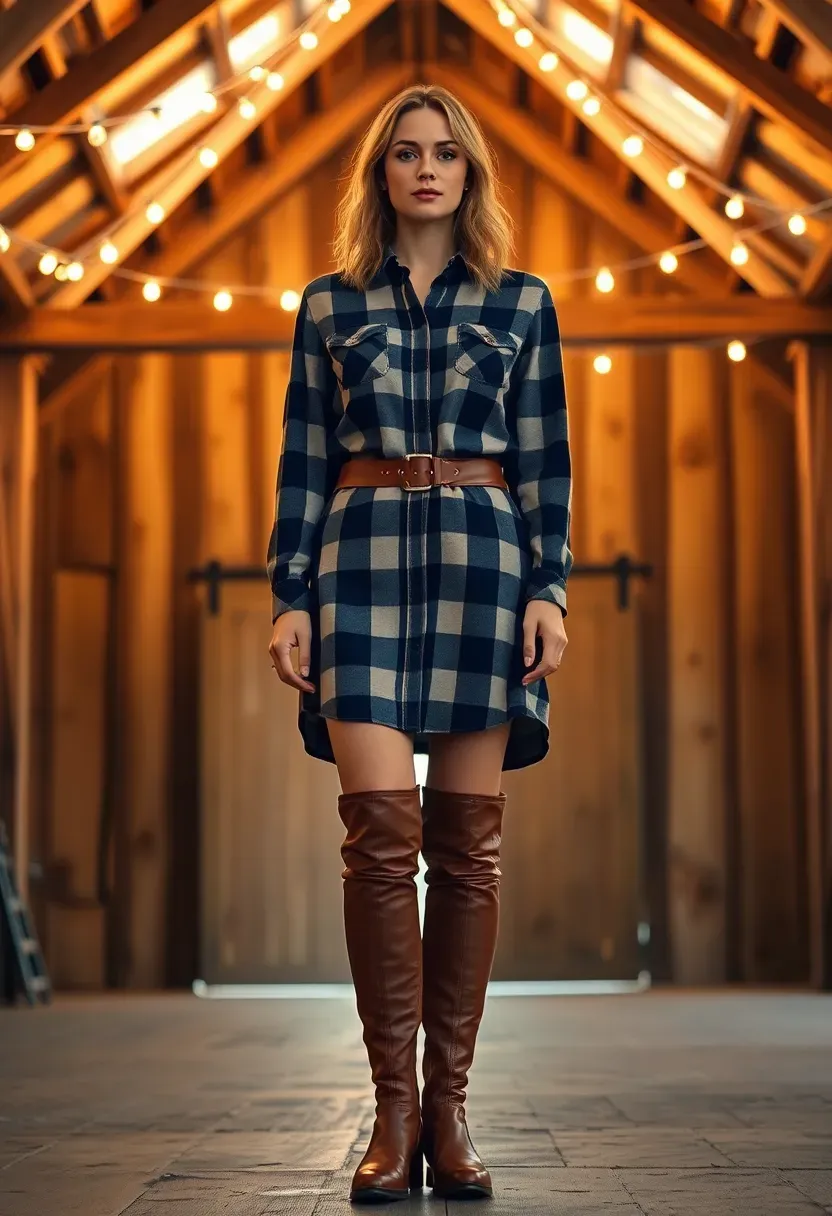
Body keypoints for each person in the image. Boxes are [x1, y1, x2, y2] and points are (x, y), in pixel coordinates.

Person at [267, 83, 572, 1204]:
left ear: (470, 170)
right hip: (358, 565)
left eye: (445, 152)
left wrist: (552, 589)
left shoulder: (525, 301)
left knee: (467, 850)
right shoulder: (326, 305)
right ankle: (391, 1112)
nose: (427, 168)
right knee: (378, 839)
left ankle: (451, 1110)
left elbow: (545, 460)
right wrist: (287, 593)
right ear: (380, 173)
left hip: (488, 569)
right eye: (405, 153)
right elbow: (302, 457)